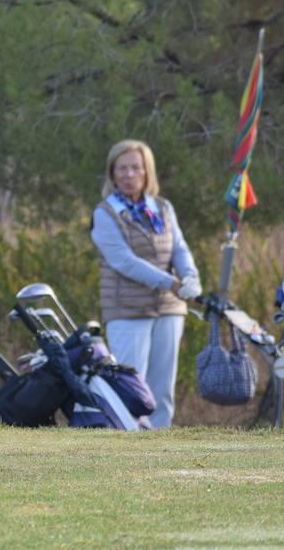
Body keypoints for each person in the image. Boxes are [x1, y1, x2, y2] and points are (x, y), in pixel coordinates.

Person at [90, 139, 201, 428]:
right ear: (112, 174)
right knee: (131, 387)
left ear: (147, 172)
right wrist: (173, 283)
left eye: (135, 168)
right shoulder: (105, 213)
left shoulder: (163, 208)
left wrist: (190, 277)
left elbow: (179, 248)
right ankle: (130, 450)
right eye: (122, 168)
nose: (129, 175)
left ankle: (159, 448)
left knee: (162, 388)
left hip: (168, 309)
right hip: (127, 310)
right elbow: (124, 261)